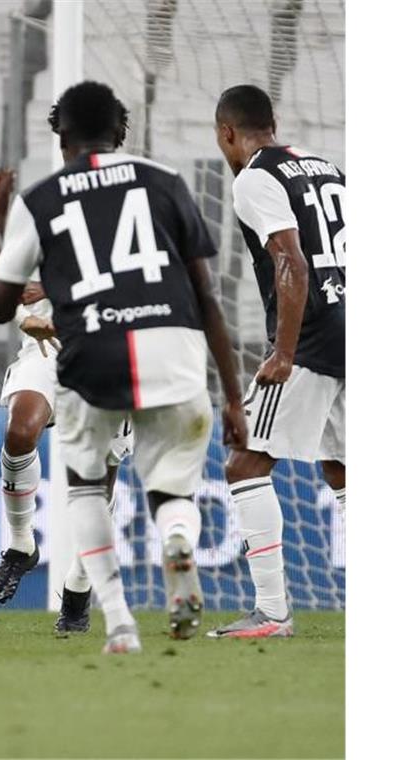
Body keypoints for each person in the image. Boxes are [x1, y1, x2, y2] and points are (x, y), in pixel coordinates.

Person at [0, 81, 247, 654]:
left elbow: (0, 305)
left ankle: (119, 623)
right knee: (172, 491)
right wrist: (231, 395)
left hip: (91, 356)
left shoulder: (43, 198)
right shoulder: (167, 183)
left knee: (84, 489)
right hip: (174, 351)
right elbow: (208, 297)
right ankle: (176, 538)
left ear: (62, 138)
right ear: (119, 133)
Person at [209, 85, 345, 638]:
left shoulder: (254, 179)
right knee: (343, 470)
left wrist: (283, 353)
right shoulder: (329, 168)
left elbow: (290, 260)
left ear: (226, 133)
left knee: (244, 462)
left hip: (312, 336)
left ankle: (272, 612)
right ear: (275, 121)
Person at [0, 169, 134, 637]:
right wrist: (0, 214)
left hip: (108, 355)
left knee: (97, 485)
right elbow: (5, 275)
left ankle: (78, 587)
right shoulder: (47, 205)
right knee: (20, 431)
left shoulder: (132, 209)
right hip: (47, 352)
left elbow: (140, 282)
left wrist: (55, 288)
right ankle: (22, 546)